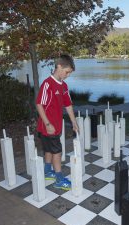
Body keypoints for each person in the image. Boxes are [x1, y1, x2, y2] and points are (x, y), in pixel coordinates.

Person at [36, 54, 78, 190]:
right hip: (48, 127)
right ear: (59, 66)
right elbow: (39, 104)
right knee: (57, 152)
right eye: (67, 72)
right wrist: (48, 124)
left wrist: (74, 122)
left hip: (57, 126)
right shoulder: (47, 84)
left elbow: (68, 105)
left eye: (69, 73)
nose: (67, 75)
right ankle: (59, 179)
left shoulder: (64, 86)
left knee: (49, 149)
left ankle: (48, 171)